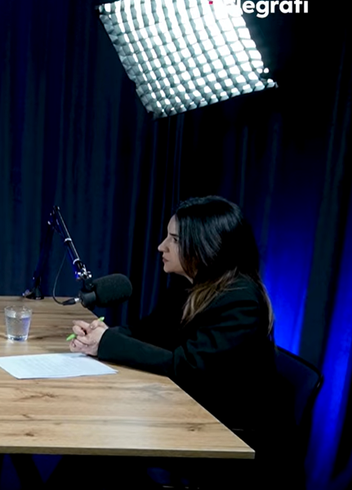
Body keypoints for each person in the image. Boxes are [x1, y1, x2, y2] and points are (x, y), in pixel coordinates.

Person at [67, 195, 279, 487]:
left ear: (207, 245)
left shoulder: (240, 300)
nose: (161, 246)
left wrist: (107, 344)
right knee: (93, 444)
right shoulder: (188, 284)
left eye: (174, 240)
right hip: (185, 413)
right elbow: (148, 331)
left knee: (100, 447)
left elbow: (188, 367)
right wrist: (100, 336)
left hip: (226, 434)